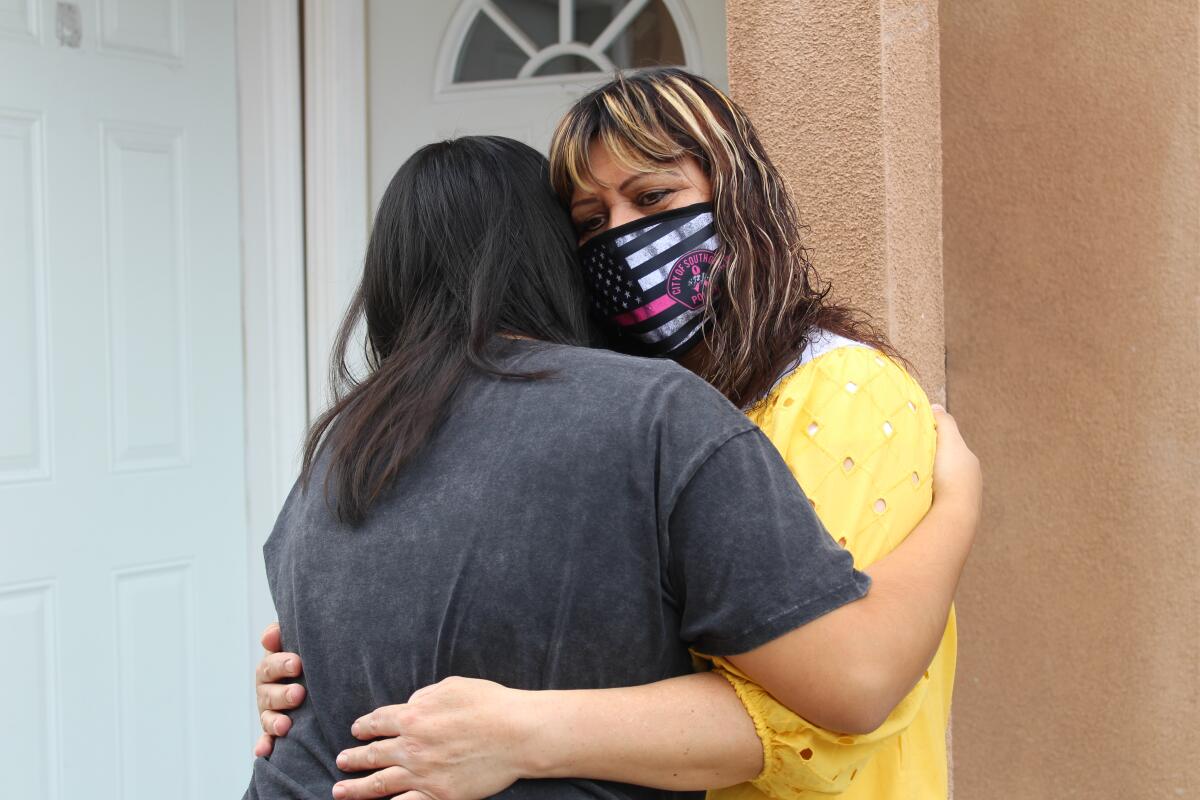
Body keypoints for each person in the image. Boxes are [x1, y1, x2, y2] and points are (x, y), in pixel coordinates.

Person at [251, 122, 979, 800]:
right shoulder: (653, 413)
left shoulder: (339, 446)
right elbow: (851, 685)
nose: (626, 245)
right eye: (591, 225)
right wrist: (958, 505)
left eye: (652, 198)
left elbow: (318, 681)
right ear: (554, 258)